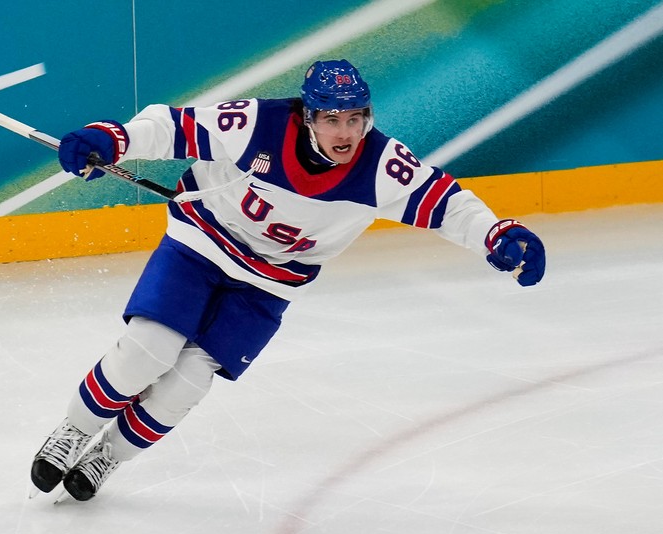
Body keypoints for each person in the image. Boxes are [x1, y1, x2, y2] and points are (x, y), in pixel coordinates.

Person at [29, 59, 546, 501]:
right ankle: (74, 430)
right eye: (332, 119)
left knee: (187, 382)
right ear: (307, 115)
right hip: (201, 244)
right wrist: (113, 138)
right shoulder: (256, 124)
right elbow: (172, 127)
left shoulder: (382, 166)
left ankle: (109, 455)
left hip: (270, 282)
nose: (345, 133)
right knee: (148, 349)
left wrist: (495, 234)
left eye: (355, 118)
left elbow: (447, 203)